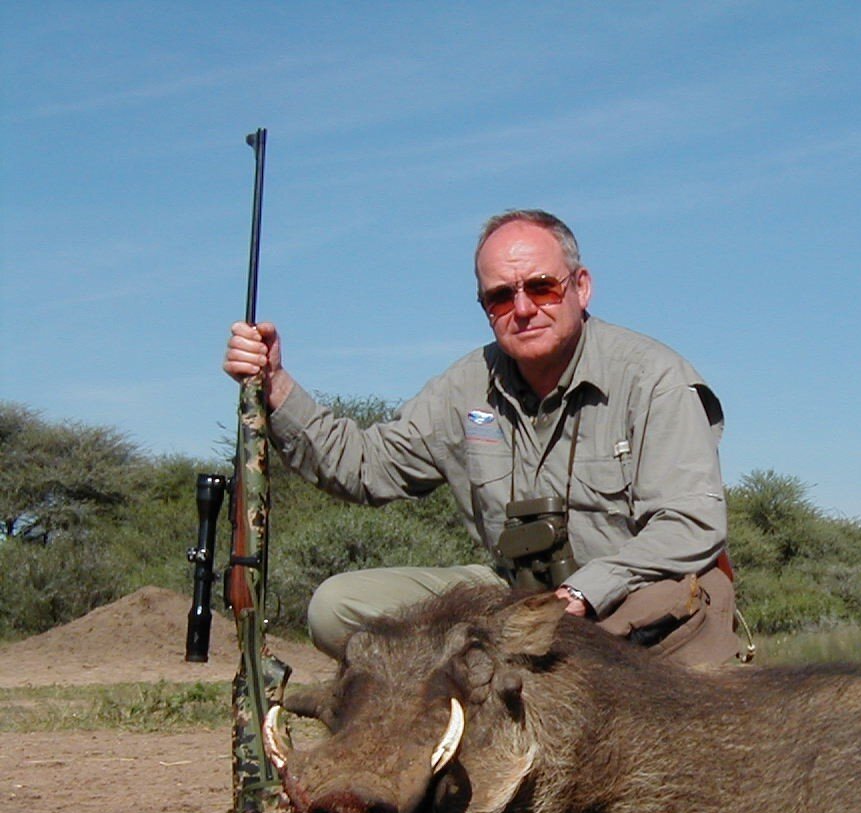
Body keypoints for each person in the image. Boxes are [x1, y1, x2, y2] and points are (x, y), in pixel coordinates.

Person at [223, 209, 737, 665]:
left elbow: (691, 523)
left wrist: (585, 592)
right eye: (500, 296)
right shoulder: (465, 386)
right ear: (484, 306)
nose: (523, 308)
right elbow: (365, 466)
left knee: (648, 628)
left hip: (627, 596)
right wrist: (277, 387)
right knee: (337, 609)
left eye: (542, 287)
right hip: (518, 602)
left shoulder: (654, 377)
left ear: (581, 287)